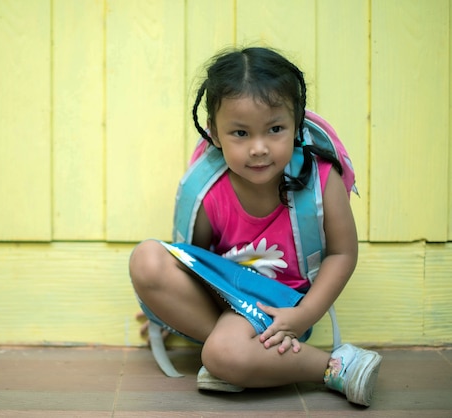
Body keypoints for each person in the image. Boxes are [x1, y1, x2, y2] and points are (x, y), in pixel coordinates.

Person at [129, 46, 381, 406]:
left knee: (222, 355)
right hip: (230, 300)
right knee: (146, 259)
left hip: (282, 308)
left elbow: (343, 253)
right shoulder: (206, 190)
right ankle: (234, 358)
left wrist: (304, 315)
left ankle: (337, 366)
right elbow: (196, 263)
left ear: (297, 123)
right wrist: (171, 308)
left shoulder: (322, 180)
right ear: (215, 134)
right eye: (241, 134)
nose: (259, 148)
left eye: (275, 129)